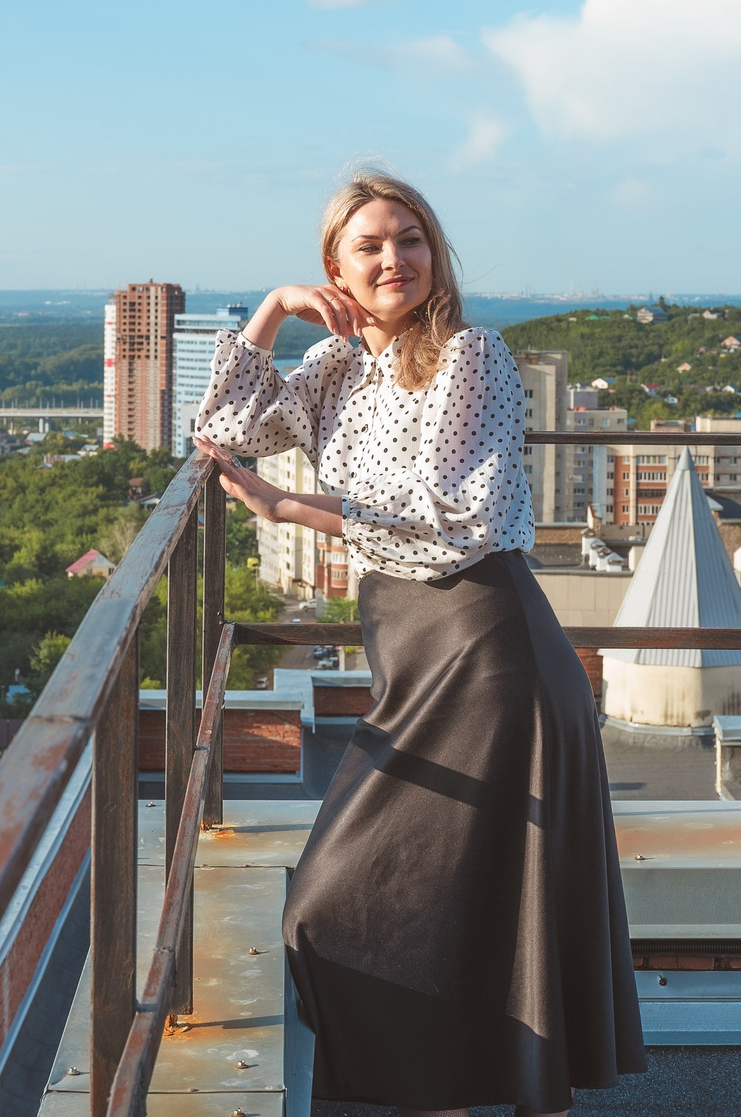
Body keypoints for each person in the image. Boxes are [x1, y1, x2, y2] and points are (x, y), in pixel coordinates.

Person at [195, 170, 645, 1117]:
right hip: (412, 651)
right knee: (396, 908)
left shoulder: (467, 354)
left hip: (486, 647)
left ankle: (441, 1095)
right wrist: (272, 310)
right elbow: (219, 431)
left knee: (358, 898)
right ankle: (435, 1095)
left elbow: (455, 528)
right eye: (369, 245)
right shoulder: (335, 366)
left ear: (435, 255)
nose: (393, 258)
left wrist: (294, 510)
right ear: (336, 268)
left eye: (411, 239)